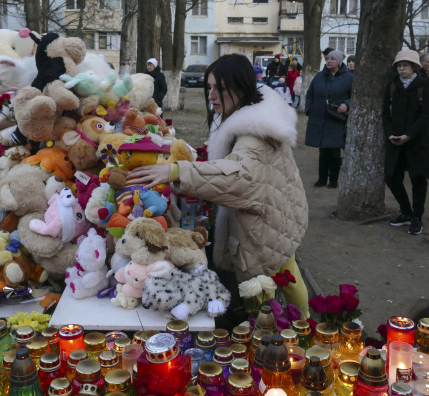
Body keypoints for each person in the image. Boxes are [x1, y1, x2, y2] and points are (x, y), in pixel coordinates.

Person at [126, 54, 310, 316]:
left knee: (268, 291)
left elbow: (238, 177)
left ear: (241, 86)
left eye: (220, 88)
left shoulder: (254, 132)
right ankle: (306, 327)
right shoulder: (255, 113)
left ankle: (294, 335)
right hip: (278, 213)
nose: (212, 95)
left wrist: (176, 171)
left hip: (266, 221)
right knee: (288, 274)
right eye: (209, 87)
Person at [383, 50, 429, 235]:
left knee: (418, 178)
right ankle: (406, 212)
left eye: (405, 65)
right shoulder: (392, 85)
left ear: (414, 67)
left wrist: (409, 135)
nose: (402, 68)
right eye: (399, 65)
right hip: (395, 141)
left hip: (417, 141)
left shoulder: (424, 84)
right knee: (391, 177)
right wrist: (390, 135)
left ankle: (417, 217)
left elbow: (426, 114)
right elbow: (385, 114)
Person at [305, 49, 353, 189]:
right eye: (327, 58)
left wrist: (346, 104)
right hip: (319, 118)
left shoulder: (348, 77)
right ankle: (321, 178)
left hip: (336, 120)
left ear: (338, 61)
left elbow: (355, 95)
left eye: (332, 59)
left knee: (334, 151)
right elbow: (310, 94)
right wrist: (310, 109)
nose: (328, 61)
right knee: (323, 150)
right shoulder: (319, 76)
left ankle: (333, 180)